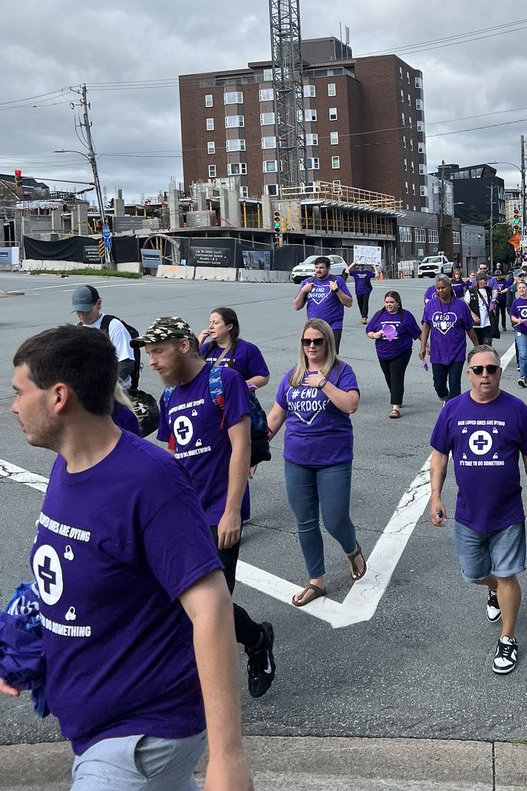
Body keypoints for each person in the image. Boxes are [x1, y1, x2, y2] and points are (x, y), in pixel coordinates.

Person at [5, 325, 253, 791]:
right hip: (96, 723)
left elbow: (211, 607)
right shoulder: (67, 466)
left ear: (59, 396)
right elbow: (75, 573)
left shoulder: (149, 481)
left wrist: (227, 754)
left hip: (142, 733)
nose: (13, 407)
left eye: (18, 391)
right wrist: (23, 638)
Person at [141, 316, 276, 700]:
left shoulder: (224, 381)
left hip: (220, 513)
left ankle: (255, 644)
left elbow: (240, 447)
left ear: (184, 345)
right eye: (149, 353)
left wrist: (232, 510)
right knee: (190, 603)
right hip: (186, 516)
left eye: (158, 351)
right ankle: (254, 636)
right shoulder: (169, 397)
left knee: (211, 606)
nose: (152, 361)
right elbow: (173, 456)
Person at [429, 345, 527, 676]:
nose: (485, 375)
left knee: (508, 574)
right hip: (468, 513)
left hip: (507, 512)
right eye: (478, 369)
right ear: (468, 373)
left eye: (491, 369)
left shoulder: (516, 409)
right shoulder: (452, 409)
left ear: (500, 372)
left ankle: (507, 638)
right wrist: (435, 497)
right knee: (475, 574)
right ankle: (492, 589)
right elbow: (440, 455)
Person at [267, 319, 365, 606]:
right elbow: (275, 417)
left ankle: (352, 548)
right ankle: (316, 581)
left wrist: (323, 383)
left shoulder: (341, 371)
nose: (311, 346)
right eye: (306, 342)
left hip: (333, 459)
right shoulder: (292, 376)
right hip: (297, 460)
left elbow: (351, 405)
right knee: (305, 522)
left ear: (327, 343)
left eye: (317, 341)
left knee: (335, 519)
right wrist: (254, 452)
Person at [420, 275, 479, 403]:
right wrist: (423, 346)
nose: (440, 290)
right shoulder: (430, 305)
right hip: (437, 352)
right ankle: (447, 400)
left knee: (455, 385)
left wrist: (477, 347)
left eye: (443, 288)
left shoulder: (461, 305)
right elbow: (425, 326)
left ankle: (453, 409)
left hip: (456, 352)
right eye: (438, 288)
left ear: (449, 287)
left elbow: (469, 329)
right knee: (438, 385)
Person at [70, 284, 136, 390]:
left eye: (86, 311)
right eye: (79, 312)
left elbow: (126, 364)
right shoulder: (77, 330)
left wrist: (105, 387)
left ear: (98, 304)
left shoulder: (113, 326)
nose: (82, 316)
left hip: (115, 390)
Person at [366, 290, 421, 417]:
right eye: (386, 302)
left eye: (392, 302)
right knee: (389, 376)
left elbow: (417, 332)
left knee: (396, 376)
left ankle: (395, 407)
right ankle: (396, 395)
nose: (389, 305)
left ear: (398, 303)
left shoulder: (405, 316)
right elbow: (369, 331)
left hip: (401, 351)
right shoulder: (379, 315)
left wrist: (426, 347)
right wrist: (375, 335)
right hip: (382, 351)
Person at [198, 306, 270, 390]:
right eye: (210, 323)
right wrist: (198, 343)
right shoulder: (205, 348)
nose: (210, 326)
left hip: (234, 400)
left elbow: (263, 377)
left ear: (229, 326)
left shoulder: (247, 349)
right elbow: (187, 370)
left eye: (216, 323)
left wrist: (238, 387)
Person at [292, 256, 353, 353]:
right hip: (313, 327)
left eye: (321, 268)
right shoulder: (308, 282)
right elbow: (296, 306)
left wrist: (337, 290)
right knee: (314, 355)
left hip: (333, 326)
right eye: (316, 268)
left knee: (331, 356)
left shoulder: (337, 280)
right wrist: (303, 291)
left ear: (328, 268)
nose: (318, 270)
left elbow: (349, 303)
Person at [466, 273, 496, 345]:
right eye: (484, 280)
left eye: (486, 280)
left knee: (487, 343)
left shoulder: (489, 290)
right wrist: (472, 315)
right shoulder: (471, 291)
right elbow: (466, 304)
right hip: (476, 323)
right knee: (478, 344)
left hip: (487, 322)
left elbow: (492, 302)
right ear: (478, 281)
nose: (486, 282)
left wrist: (492, 306)